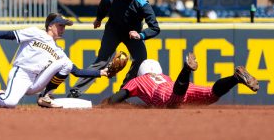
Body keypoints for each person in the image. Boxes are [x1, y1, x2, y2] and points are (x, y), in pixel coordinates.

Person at [38, 0, 160, 103]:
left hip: (133, 34)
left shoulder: (141, 3)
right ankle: (76, 91)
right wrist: (99, 19)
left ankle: (122, 93)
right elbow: (103, 7)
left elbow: (155, 28)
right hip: (113, 31)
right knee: (102, 61)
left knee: (141, 60)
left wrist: (141, 35)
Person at [0, 13, 108, 108]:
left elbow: (77, 72)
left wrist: (101, 72)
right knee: (10, 103)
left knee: (65, 63)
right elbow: (11, 35)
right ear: (50, 26)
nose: (63, 29)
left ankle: (45, 97)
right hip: (21, 74)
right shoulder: (36, 33)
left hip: (36, 81)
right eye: (60, 25)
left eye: (64, 26)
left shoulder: (59, 51)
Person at [107, 53, 259, 108]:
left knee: (175, 97)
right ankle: (235, 78)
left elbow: (116, 99)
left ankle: (186, 69)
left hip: (164, 93)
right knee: (211, 94)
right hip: (174, 85)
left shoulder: (138, 80)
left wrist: (108, 102)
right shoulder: (164, 77)